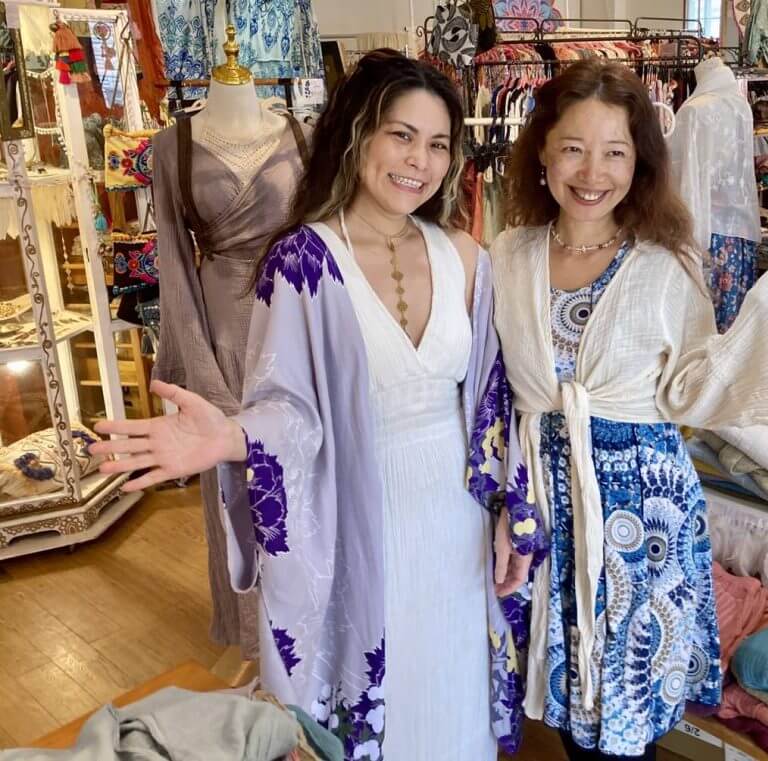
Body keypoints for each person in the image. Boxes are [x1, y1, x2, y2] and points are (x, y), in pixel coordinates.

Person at [90, 50, 544, 761]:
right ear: (357, 135)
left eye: (437, 144)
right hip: (362, 522)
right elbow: (288, 410)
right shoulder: (303, 260)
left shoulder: (465, 255)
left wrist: (509, 515)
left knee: (456, 708)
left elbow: (490, 405)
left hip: (456, 526)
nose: (419, 161)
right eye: (401, 135)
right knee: (387, 715)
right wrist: (230, 437)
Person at [490, 59, 768, 760]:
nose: (592, 172)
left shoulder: (663, 262)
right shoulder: (506, 256)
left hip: (642, 519)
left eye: (615, 152)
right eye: (573, 148)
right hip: (547, 509)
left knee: (626, 720)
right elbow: (493, 386)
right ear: (542, 152)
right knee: (568, 706)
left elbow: (698, 384)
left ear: (640, 163)